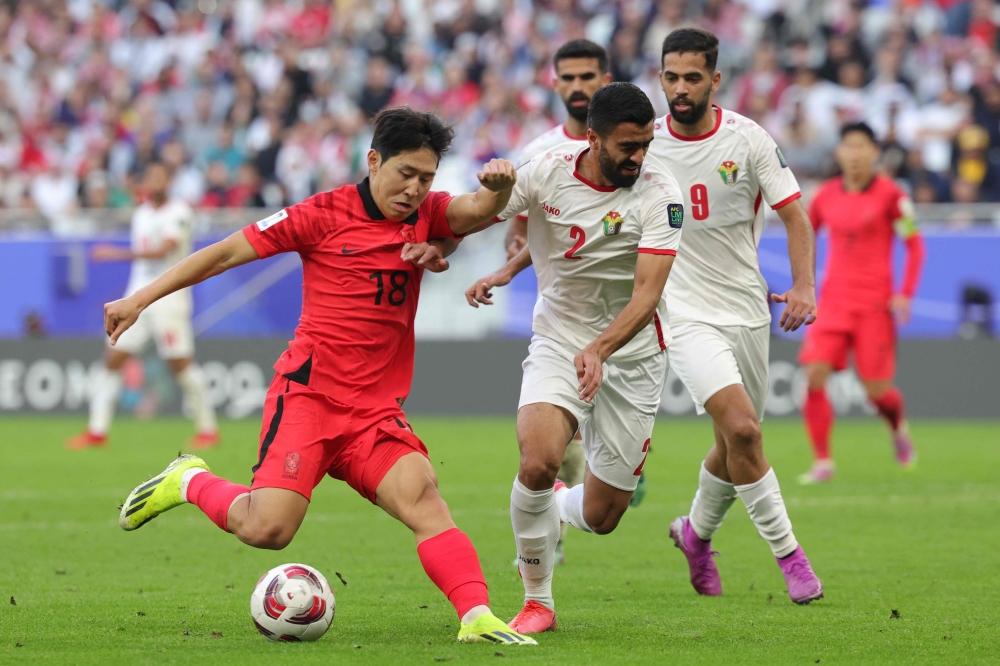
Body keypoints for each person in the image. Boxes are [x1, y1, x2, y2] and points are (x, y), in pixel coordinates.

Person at [109, 108, 536, 646]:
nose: (414, 189)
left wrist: (498, 189)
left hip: (374, 412)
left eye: (426, 179)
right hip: (308, 397)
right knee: (268, 531)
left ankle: (476, 616)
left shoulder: (427, 214)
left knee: (424, 498)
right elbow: (224, 254)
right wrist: (141, 299)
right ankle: (188, 480)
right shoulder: (320, 214)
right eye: (405, 174)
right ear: (373, 160)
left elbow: (475, 210)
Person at [470, 82, 684, 633]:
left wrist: (601, 349)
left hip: (631, 356)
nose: (639, 157)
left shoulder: (664, 192)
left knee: (602, 516)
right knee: (538, 460)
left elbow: (647, 295)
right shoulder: (544, 170)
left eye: (646, 143)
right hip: (559, 341)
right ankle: (538, 600)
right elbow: (476, 214)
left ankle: (563, 504)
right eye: (627, 146)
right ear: (594, 139)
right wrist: (449, 242)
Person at [649, 28, 823, 604]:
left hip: (747, 309)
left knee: (734, 444)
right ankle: (792, 561)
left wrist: (803, 285)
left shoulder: (748, 140)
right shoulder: (645, 144)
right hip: (684, 310)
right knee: (745, 430)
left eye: (691, 77)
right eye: (671, 76)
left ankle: (695, 536)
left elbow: (797, 218)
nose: (679, 88)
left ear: (714, 80)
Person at [798, 122, 926, 484]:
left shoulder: (892, 196)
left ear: (874, 152)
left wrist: (905, 293)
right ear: (839, 152)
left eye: (861, 147)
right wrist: (802, 283)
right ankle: (823, 461)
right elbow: (805, 235)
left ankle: (898, 426)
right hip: (833, 302)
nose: (854, 154)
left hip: (874, 306)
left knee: (876, 393)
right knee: (813, 374)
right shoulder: (824, 196)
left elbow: (915, 245)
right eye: (848, 146)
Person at [67, 161, 219, 451]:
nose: (156, 182)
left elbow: (166, 249)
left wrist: (116, 253)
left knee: (180, 364)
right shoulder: (141, 214)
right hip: (137, 298)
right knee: (113, 358)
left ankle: (208, 430)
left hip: (168, 299)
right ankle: (97, 431)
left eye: (161, 176)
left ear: (169, 181)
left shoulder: (179, 213)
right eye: (151, 176)